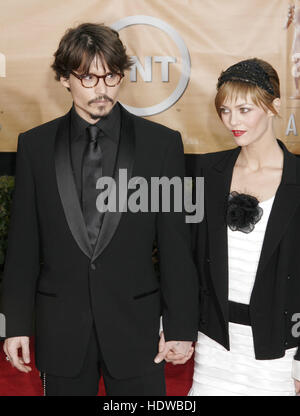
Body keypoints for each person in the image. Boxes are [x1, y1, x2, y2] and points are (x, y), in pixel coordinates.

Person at [1, 23, 198, 396]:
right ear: (64, 78)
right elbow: (23, 245)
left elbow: (175, 246)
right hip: (60, 329)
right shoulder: (34, 146)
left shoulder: (162, 146)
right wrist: (16, 324)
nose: (102, 89)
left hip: (137, 331)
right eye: (88, 78)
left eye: (111, 76)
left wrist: (181, 327)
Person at [188, 58, 300, 396]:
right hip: (214, 345)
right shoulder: (206, 173)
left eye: (244, 109)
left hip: (279, 353)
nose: (233, 121)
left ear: (273, 107)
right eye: (225, 110)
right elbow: (188, 259)